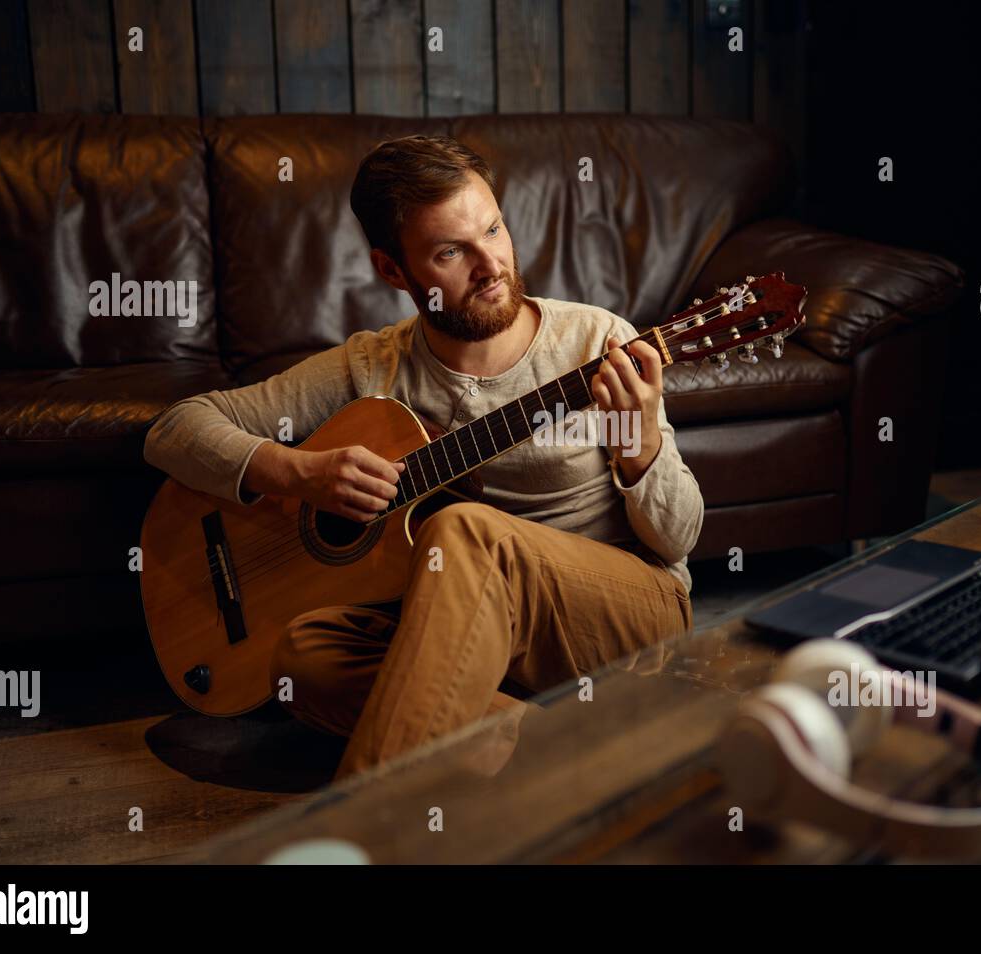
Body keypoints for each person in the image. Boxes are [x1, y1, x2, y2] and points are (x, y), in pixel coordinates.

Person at [144, 135, 703, 780]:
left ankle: (365, 836)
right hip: (465, 629)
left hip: (623, 619)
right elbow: (175, 428)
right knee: (304, 657)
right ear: (393, 270)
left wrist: (642, 450)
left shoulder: (597, 342)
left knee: (463, 530)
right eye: (450, 252)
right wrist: (302, 472)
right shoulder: (372, 366)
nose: (490, 264)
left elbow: (679, 537)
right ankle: (558, 742)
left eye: (493, 229)